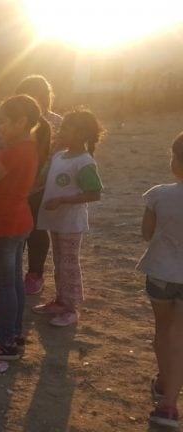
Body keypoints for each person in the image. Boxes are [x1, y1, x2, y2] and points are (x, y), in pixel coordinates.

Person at [0, 94, 50, 360]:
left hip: (3, 222)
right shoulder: (30, 148)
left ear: (22, 121)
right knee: (13, 282)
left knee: (6, 285)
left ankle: (5, 342)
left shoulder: (12, 152)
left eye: (3, 122)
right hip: (19, 220)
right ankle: (12, 334)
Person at [32, 110, 104, 327]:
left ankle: (71, 308)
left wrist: (63, 200)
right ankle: (61, 300)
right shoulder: (58, 156)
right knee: (59, 262)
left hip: (70, 222)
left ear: (82, 134)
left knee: (69, 264)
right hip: (55, 220)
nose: (60, 132)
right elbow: (42, 180)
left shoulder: (84, 161)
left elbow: (94, 193)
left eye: (66, 129)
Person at [138, 132, 183, 428]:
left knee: (163, 332)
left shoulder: (158, 194)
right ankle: (169, 396)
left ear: (176, 162)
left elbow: (146, 233)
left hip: (162, 273)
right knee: (179, 337)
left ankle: (167, 393)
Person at [15, 75, 64, 296]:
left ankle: (35, 274)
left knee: (36, 230)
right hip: (14, 185)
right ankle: (13, 272)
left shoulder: (56, 122)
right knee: (14, 231)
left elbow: (60, 156)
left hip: (41, 187)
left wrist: (39, 181)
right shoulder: (13, 119)